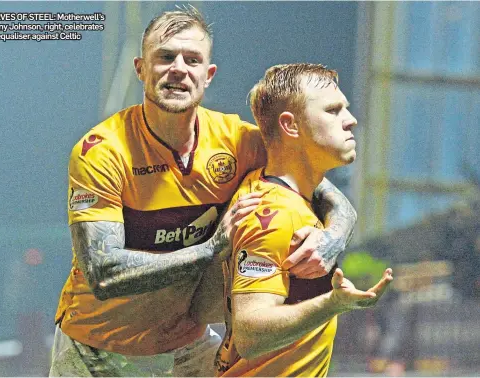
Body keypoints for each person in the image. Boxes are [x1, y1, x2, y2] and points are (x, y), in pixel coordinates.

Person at [49, 7, 357, 377]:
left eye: (192, 59)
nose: (179, 68)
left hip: (188, 345)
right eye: (165, 57)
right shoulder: (101, 151)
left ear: (208, 75)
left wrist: (333, 237)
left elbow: (326, 192)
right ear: (140, 69)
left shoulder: (236, 140)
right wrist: (208, 251)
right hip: (100, 349)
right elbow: (103, 273)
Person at [213, 63, 393, 377]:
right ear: (291, 126)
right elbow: (250, 336)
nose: (350, 121)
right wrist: (333, 304)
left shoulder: (289, 197)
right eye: (333, 111)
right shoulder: (272, 214)